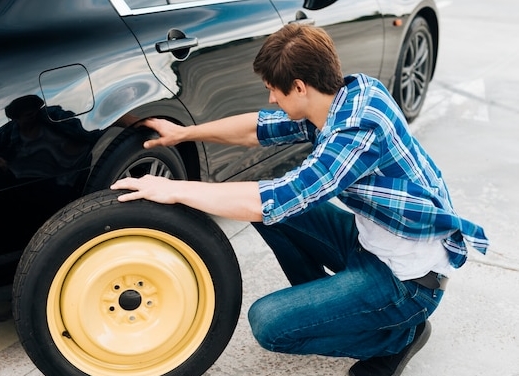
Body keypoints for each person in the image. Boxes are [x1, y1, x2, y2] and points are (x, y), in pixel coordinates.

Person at [110, 23, 488, 376]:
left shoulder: (356, 132)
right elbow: (257, 128)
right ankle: (332, 305)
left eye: (274, 89)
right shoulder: (347, 95)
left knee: (269, 324)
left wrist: (174, 189)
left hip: (408, 283)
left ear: (299, 87)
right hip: (371, 244)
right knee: (270, 204)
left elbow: (276, 198)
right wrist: (184, 133)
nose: (271, 98)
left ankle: (396, 336)